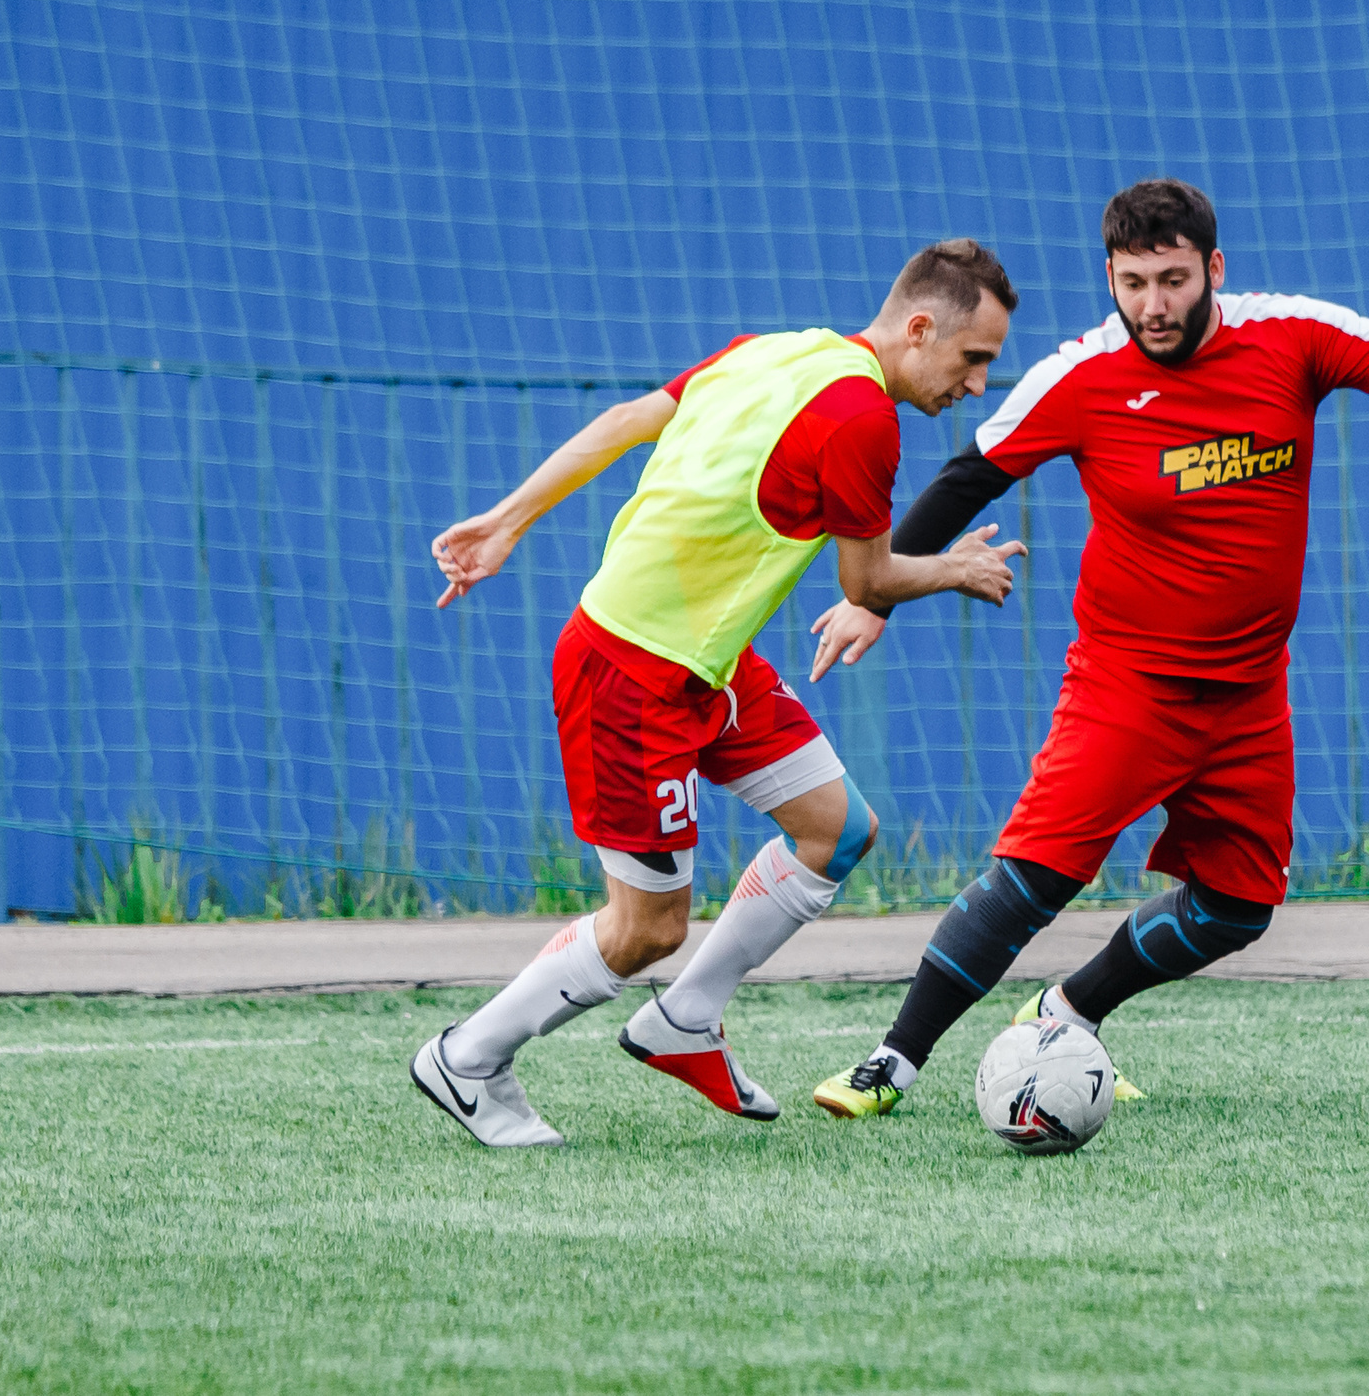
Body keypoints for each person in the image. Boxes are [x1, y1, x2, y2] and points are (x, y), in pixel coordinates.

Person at [810, 181, 1369, 1118]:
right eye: (1133, 283)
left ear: (1214, 270)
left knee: (1237, 908)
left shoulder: (1288, 335)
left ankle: (1069, 1009)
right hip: (1127, 685)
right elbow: (968, 477)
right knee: (1037, 874)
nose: (1153, 305)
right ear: (1108, 279)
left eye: (1173, 279)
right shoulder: (1083, 376)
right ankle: (892, 1061)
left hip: (1247, 694)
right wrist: (875, 598)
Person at [410, 239, 1025, 1146]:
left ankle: (686, 1017)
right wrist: (955, 566)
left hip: (708, 662)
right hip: (630, 672)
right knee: (646, 929)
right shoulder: (863, 418)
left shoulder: (774, 347)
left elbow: (628, 418)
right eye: (974, 359)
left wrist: (509, 518)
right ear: (921, 327)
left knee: (838, 827)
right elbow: (866, 583)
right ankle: (466, 1058)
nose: (976, 385)